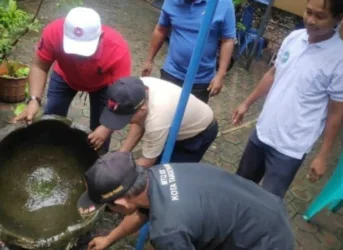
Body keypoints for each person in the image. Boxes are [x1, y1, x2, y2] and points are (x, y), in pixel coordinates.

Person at [232, 0, 343, 198]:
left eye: (320, 16)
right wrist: (246, 103)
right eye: (308, 12)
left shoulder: (342, 60)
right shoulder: (295, 37)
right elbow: (273, 73)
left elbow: (336, 112)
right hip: (262, 132)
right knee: (238, 187)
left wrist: (323, 156)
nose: (310, 20)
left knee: (266, 204)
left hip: (290, 149)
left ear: (338, 18)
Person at [77, 151, 295, 250]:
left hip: (264, 242)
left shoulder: (168, 231)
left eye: (109, 207)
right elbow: (142, 213)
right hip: (267, 209)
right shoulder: (158, 174)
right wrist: (108, 239)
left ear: (123, 203)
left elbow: (166, 227)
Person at [13, 7, 132, 154]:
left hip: (103, 86)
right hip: (64, 76)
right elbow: (39, 66)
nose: (77, 58)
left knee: (99, 133)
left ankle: (98, 166)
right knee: (51, 118)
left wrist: (107, 127)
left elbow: (122, 96)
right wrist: (33, 100)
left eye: (83, 52)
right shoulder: (54, 32)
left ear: (100, 37)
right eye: (73, 50)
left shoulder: (118, 50)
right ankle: (48, 153)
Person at [89, 76, 218, 168]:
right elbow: (140, 122)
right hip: (171, 122)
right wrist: (122, 153)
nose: (127, 123)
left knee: (167, 176)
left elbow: (146, 162)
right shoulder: (135, 88)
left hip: (198, 133)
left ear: (142, 109)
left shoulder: (156, 121)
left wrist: (116, 173)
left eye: (126, 119)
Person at [141, 0, 236, 103]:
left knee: (191, 117)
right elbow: (161, 29)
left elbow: (227, 40)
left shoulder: (222, 4)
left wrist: (220, 75)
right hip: (171, 72)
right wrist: (149, 60)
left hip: (201, 80)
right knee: (165, 110)